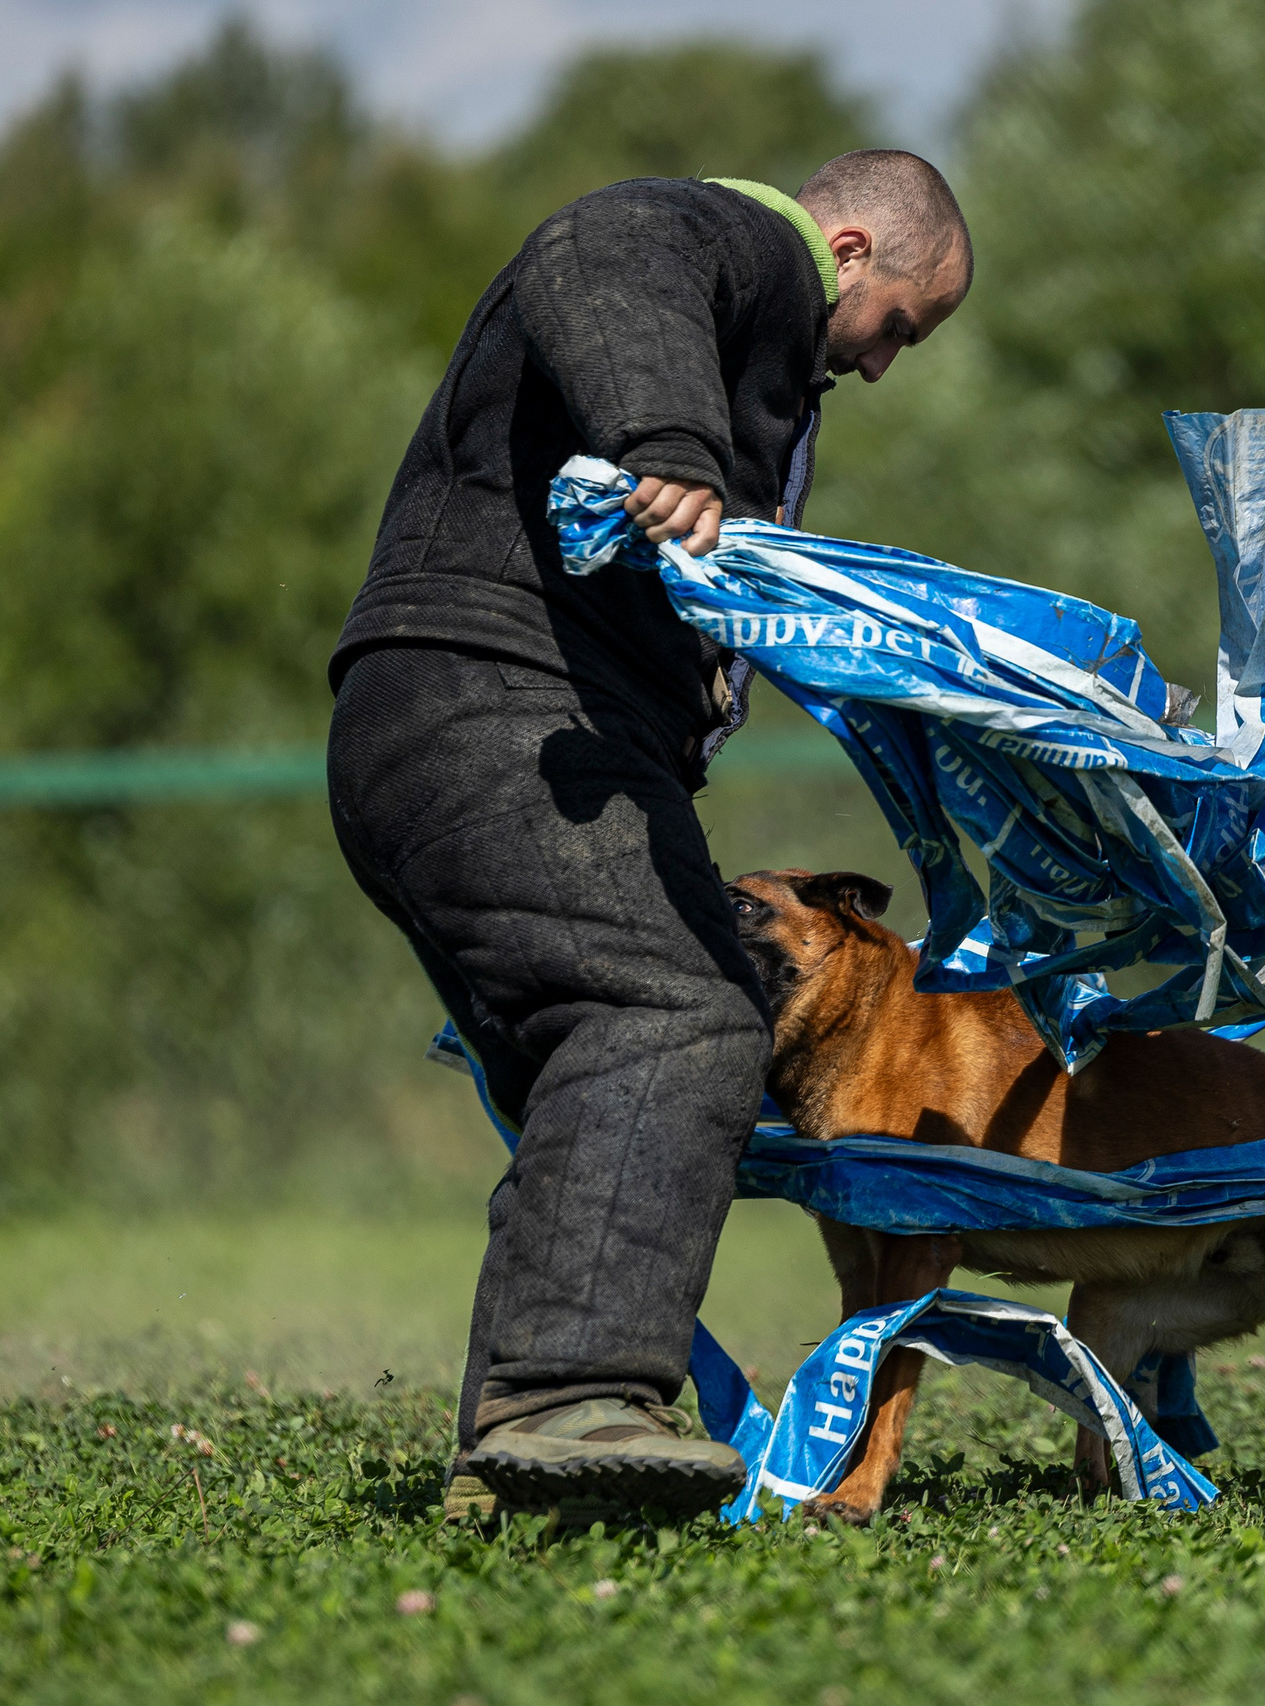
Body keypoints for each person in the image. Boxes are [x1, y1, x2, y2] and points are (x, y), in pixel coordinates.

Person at [326, 151, 973, 1520]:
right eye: (900, 327)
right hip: (489, 706)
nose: (883, 367)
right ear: (849, 251)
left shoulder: (768, 343)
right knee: (672, 1011)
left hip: (484, 719)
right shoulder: (722, 238)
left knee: (603, 1057)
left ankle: (523, 1459)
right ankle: (571, 1394)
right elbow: (595, 246)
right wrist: (669, 445)